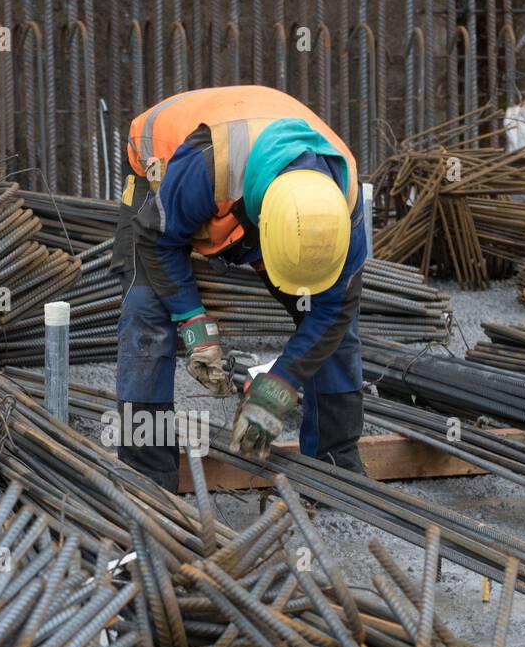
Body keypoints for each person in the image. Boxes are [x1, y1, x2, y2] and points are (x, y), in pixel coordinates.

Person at [111, 85, 367, 492]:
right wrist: (194, 325)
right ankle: (147, 473)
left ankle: (335, 463)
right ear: (262, 227)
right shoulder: (207, 165)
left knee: (339, 328)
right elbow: (157, 241)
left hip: (247, 180)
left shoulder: (345, 202)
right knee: (146, 313)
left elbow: (332, 311)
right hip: (162, 166)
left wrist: (278, 387)